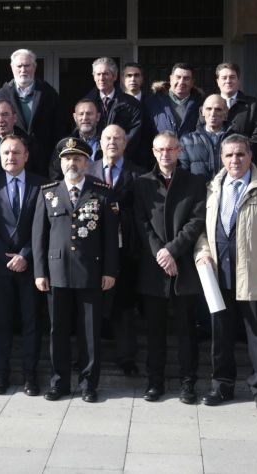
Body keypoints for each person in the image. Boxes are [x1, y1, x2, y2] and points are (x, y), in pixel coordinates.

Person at [194, 134, 257, 412]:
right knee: (220, 334)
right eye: (229, 155)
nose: (234, 160)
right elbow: (201, 229)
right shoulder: (212, 187)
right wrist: (202, 253)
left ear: (250, 156)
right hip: (219, 274)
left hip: (256, 273)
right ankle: (221, 386)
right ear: (221, 158)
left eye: (240, 154)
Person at [33, 137, 119, 403]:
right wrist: (39, 272)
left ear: (87, 163)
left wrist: (110, 271)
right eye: (68, 158)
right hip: (56, 272)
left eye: (78, 158)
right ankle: (59, 383)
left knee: (90, 331)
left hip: (90, 271)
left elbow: (111, 238)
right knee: (57, 330)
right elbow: (39, 236)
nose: (72, 163)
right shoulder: (47, 192)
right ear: (61, 162)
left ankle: (88, 384)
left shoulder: (103, 191)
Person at [133, 131, 207, 403]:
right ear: (153, 152)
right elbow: (140, 223)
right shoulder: (142, 184)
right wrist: (160, 254)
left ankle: (188, 384)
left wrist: (172, 251)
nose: (165, 154)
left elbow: (196, 221)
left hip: (184, 267)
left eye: (170, 149)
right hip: (154, 269)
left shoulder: (195, 182)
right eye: (160, 150)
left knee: (187, 330)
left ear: (179, 151)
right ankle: (155, 382)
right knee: (155, 331)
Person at [0, 134, 45, 396]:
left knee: (31, 323)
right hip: (0, 267)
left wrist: (25, 255)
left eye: (16, 152)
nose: (10, 157)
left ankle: (30, 376)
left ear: (26, 155)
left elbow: (42, 227)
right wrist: (6, 256)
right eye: (6, 153)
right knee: (2, 323)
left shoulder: (42, 185)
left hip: (30, 266)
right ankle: (1, 375)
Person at [88, 124, 144, 377]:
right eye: (108, 138)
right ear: (100, 142)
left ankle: (126, 358)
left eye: (118, 138)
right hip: (91, 250)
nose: (112, 142)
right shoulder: (86, 171)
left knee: (124, 306)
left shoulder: (139, 174)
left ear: (126, 143)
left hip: (125, 251)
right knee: (91, 306)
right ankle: (88, 357)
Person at [0, 48, 65, 176]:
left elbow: (60, 130)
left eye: (27, 66)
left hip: (43, 163)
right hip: (12, 162)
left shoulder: (48, 94)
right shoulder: (1, 95)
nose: (23, 70)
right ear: (12, 67)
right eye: (19, 66)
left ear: (34, 67)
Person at [84, 57, 145, 165]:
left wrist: (112, 154)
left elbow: (133, 136)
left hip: (123, 163)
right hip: (93, 164)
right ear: (94, 77)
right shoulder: (85, 105)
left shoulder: (132, 104)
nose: (101, 78)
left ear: (115, 76)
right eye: (98, 74)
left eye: (105, 74)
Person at [216, 62, 257, 158]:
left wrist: (238, 152)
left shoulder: (254, 105)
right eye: (224, 78)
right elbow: (203, 136)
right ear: (218, 82)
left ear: (238, 81)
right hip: (215, 164)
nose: (228, 81)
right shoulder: (207, 107)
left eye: (232, 77)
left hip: (245, 163)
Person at [179, 94, 233, 180]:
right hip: (198, 192)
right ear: (202, 112)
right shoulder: (187, 141)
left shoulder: (237, 140)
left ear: (226, 112)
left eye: (218, 109)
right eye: (209, 109)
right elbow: (182, 176)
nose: (213, 113)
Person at [144, 62, 203, 139]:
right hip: (163, 150)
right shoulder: (151, 103)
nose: (181, 82)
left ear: (192, 82)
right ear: (171, 79)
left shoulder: (202, 104)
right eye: (178, 77)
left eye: (186, 78)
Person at [48, 99, 103, 180]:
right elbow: (55, 174)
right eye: (81, 114)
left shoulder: (107, 142)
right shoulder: (65, 144)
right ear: (75, 117)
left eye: (89, 114)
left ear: (98, 117)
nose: (85, 118)